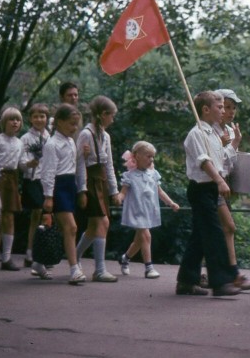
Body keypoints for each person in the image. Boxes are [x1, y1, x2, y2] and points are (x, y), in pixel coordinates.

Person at [175, 91, 241, 297]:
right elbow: (204, 162)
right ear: (205, 109)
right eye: (219, 107)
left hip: (210, 189)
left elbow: (221, 160)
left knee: (200, 236)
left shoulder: (213, 134)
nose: (223, 111)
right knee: (214, 233)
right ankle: (220, 282)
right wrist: (220, 181)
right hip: (201, 188)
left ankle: (186, 280)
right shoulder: (197, 133)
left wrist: (235, 142)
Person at [33, 103, 85, 284]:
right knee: (71, 227)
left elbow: (76, 167)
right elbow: (47, 172)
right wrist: (48, 196)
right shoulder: (52, 144)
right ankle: (74, 269)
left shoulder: (71, 142)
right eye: (71, 123)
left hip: (69, 185)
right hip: (58, 187)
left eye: (76, 124)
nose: (75, 127)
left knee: (60, 228)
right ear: (60, 122)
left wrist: (81, 189)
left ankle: (39, 262)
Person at [212, 88, 250, 290]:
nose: (230, 112)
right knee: (228, 227)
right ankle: (233, 272)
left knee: (210, 231)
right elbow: (216, 161)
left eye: (233, 108)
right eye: (225, 107)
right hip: (212, 183)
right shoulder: (209, 130)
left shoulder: (230, 131)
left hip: (225, 183)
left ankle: (203, 273)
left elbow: (231, 161)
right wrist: (231, 145)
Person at [75, 96, 121, 282]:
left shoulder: (106, 136)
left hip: (101, 179)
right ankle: (99, 269)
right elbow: (79, 163)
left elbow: (109, 164)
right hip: (90, 179)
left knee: (97, 225)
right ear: (103, 115)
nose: (113, 120)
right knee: (102, 222)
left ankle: (75, 257)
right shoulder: (86, 134)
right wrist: (82, 189)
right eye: (111, 116)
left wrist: (114, 190)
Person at [118, 141, 180, 278]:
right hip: (137, 210)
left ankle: (125, 258)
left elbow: (160, 191)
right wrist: (119, 197)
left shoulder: (153, 174)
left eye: (152, 157)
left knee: (140, 240)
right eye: (148, 156)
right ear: (137, 156)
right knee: (146, 235)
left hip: (149, 210)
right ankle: (149, 268)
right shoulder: (130, 175)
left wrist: (171, 203)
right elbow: (123, 192)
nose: (151, 159)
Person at [0, 107, 24, 271]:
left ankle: (6, 257)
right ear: (4, 122)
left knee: (9, 216)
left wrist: (34, 163)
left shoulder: (20, 142)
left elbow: (22, 163)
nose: (15, 122)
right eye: (11, 119)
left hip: (12, 180)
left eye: (17, 119)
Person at [19, 103, 50, 268]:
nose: (39, 119)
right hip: (32, 179)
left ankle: (43, 251)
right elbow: (21, 164)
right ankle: (30, 251)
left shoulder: (49, 137)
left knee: (45, 216)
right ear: (30, 119)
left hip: (46, 180)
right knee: (36, 212)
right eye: (36, 116)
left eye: (42, 116)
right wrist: (30, 164)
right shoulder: (25, 138)